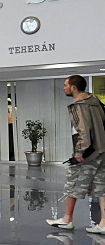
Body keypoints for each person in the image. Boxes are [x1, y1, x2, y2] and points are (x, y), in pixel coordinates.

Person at [46, 75, 105, 232]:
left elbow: (83, 131)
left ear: (74, 87)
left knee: (72, 182)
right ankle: (104, 223)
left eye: (66, 85)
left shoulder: (78, 106)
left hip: (89, 153)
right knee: (102, 186)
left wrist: (80, 152)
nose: (63, 87)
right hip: (102, 150)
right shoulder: (95, 101)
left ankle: (67, 219)